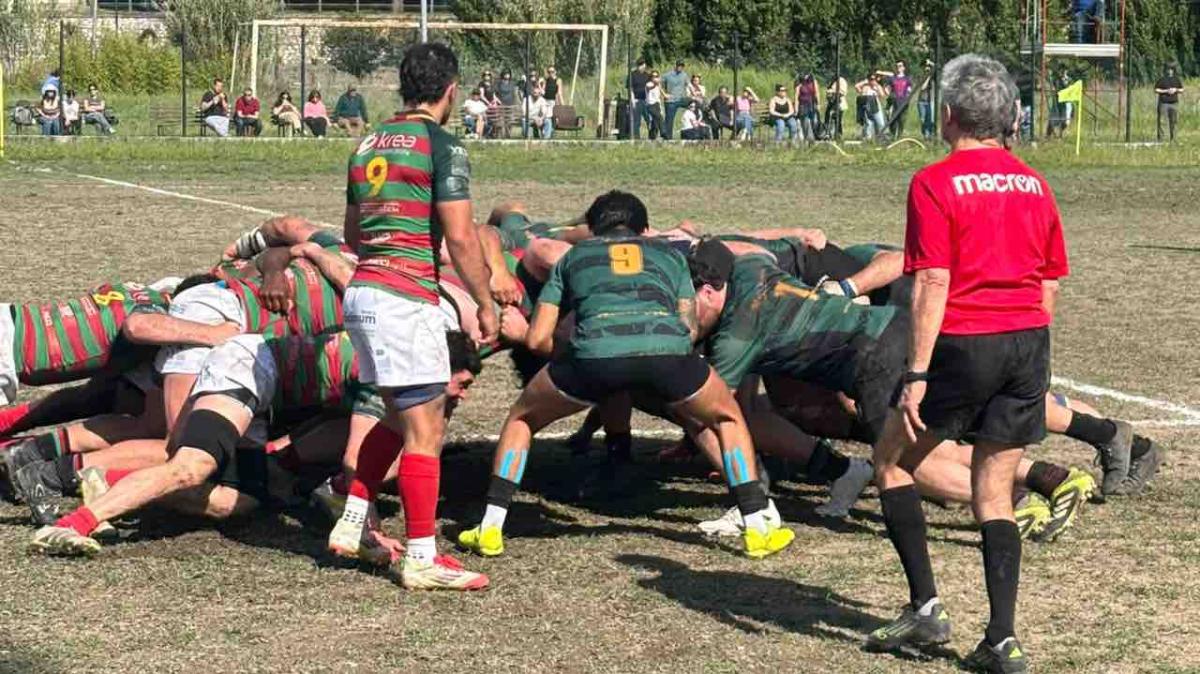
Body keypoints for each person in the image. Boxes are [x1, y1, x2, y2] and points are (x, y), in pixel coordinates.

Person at [864, 55, 1068, 673]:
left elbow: (931, 278)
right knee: (994, 490)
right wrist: (1026, 349)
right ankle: (1001, 638)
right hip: (1027, 342)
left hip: (965, 344)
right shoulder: (1035, 182)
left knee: (891, 460)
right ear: (1004, 116)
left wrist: (918, 372)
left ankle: (925, 606)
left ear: (948, 115)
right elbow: (1052, 279)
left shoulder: (934, 181)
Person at [456, 193, 794, 561]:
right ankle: (758, 526)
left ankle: (490, 527)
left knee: (522, 419)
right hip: (668, 356)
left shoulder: (573, 258)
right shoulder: (670, 256)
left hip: (593, 359)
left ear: (592, 228)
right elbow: (688, 326)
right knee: (727, 418)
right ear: (645, 228)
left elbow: (537, 339)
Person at [327, 42, 500, 591]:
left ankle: (354, 518)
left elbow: (354, 236)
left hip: (363, 294)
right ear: (451, 90)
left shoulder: (367, 143)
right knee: (426, 429)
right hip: (404, 298)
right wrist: (486, 299)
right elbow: (461, 235)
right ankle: (423, 557)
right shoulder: (442, 145)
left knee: (395, 417)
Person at [880, 61, 913, 137]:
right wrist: (887, 93)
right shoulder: (892, 78)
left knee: (901, 119)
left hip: (903, 101)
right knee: (892, 119)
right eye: (897, 66)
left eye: (900, 66)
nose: (898, 67)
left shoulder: (907, 78)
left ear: (904, 68)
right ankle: (892, 134)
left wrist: (908, 95)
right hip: (893, 101)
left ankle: (899, 136)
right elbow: (886, 86)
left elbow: (910, 88)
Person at [661, 60, 689, 140]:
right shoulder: (667, 75)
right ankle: (668, 138)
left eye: (682, 66)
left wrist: (692, 94)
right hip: (671, 101)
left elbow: (688, 85)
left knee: (695, 103)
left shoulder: (684, 75)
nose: (680, 67)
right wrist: (664, 94)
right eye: (679, 65)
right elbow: (658, 84)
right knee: (669, 120)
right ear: (676, 66)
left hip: (680, 99)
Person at [1155, 63, 1183, 143]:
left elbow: (1181, 89)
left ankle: (1174, 139)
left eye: (1171, 69)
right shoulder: (1162, 79)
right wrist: (1166, 91)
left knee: (1174, 121)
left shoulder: (1176, 79)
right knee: (1162, 122)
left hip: (1174, 103)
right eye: (1168, 69)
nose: (1169, 71)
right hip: (1163, 103)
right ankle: (1161, 140)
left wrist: (1175, 90)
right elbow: (1156, 89)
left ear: (1173, 71)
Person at [856, 74, 887, 140]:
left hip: (876, 106)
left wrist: (876, 87)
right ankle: (868, 138)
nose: (872, 81)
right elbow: (857, 87)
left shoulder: (877, 87)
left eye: (873, 79)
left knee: (880, 122)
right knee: (868, 123)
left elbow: (882, 95)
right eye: (870, 79)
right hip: (867, 105)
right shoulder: (865, 87)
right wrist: (865, 82)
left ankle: (880, 137)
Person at [628, 59, 650, 139]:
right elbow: (630, 88)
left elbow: (650, 87)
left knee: (649, 119)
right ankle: (636, 138)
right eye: (640, 65)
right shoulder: (633, 75)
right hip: (636, 100)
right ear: (638, 66)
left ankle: (652, 136)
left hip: (646, 100)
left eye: (643, 65)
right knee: (636, 121)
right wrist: (633, 99)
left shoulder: (647, 75)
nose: (642, 67)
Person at [794, 74, 820, 141]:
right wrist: (796, 109)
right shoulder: (799, 84)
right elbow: (796, 97)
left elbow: (817, 93)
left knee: (815, 121)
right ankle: (809, 138)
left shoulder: (813, 82)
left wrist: (818, 104)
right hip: (803, 104)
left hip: (812, 104)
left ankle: (816, 135)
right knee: (805, 121)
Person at [917, 60, 936, 140]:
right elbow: (923, 87)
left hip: (930, 100)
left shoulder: (933, 77)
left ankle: (931, 135)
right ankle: (925, 136)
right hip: (921, 101)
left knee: (930, 119)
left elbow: (940, 68)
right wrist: (928, 76)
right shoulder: (920, 76)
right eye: (925, 66)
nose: (927, 68)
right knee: (923, 120)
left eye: (928, 67)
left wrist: (932, 63)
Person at [825, 74, 848, 139]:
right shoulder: (832, 81)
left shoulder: (842, 81)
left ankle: (838, 136)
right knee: (828, 120)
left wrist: (832, 92)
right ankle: (828, 135)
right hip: (831, 103)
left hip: (839, 104)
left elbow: (843, 92)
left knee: (838, 120)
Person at [644, 71, 665, 140]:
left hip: (657, 104)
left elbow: (661, 91)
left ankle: (652, 135)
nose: (655, 77)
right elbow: (650, 88)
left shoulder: (658, 85)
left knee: (655, 121)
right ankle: (663, 132)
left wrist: (665, 95)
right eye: (653, 76)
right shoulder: (648, 84)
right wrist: (655, 84)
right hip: (650, 105)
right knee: (659, 117)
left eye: (656, 76)